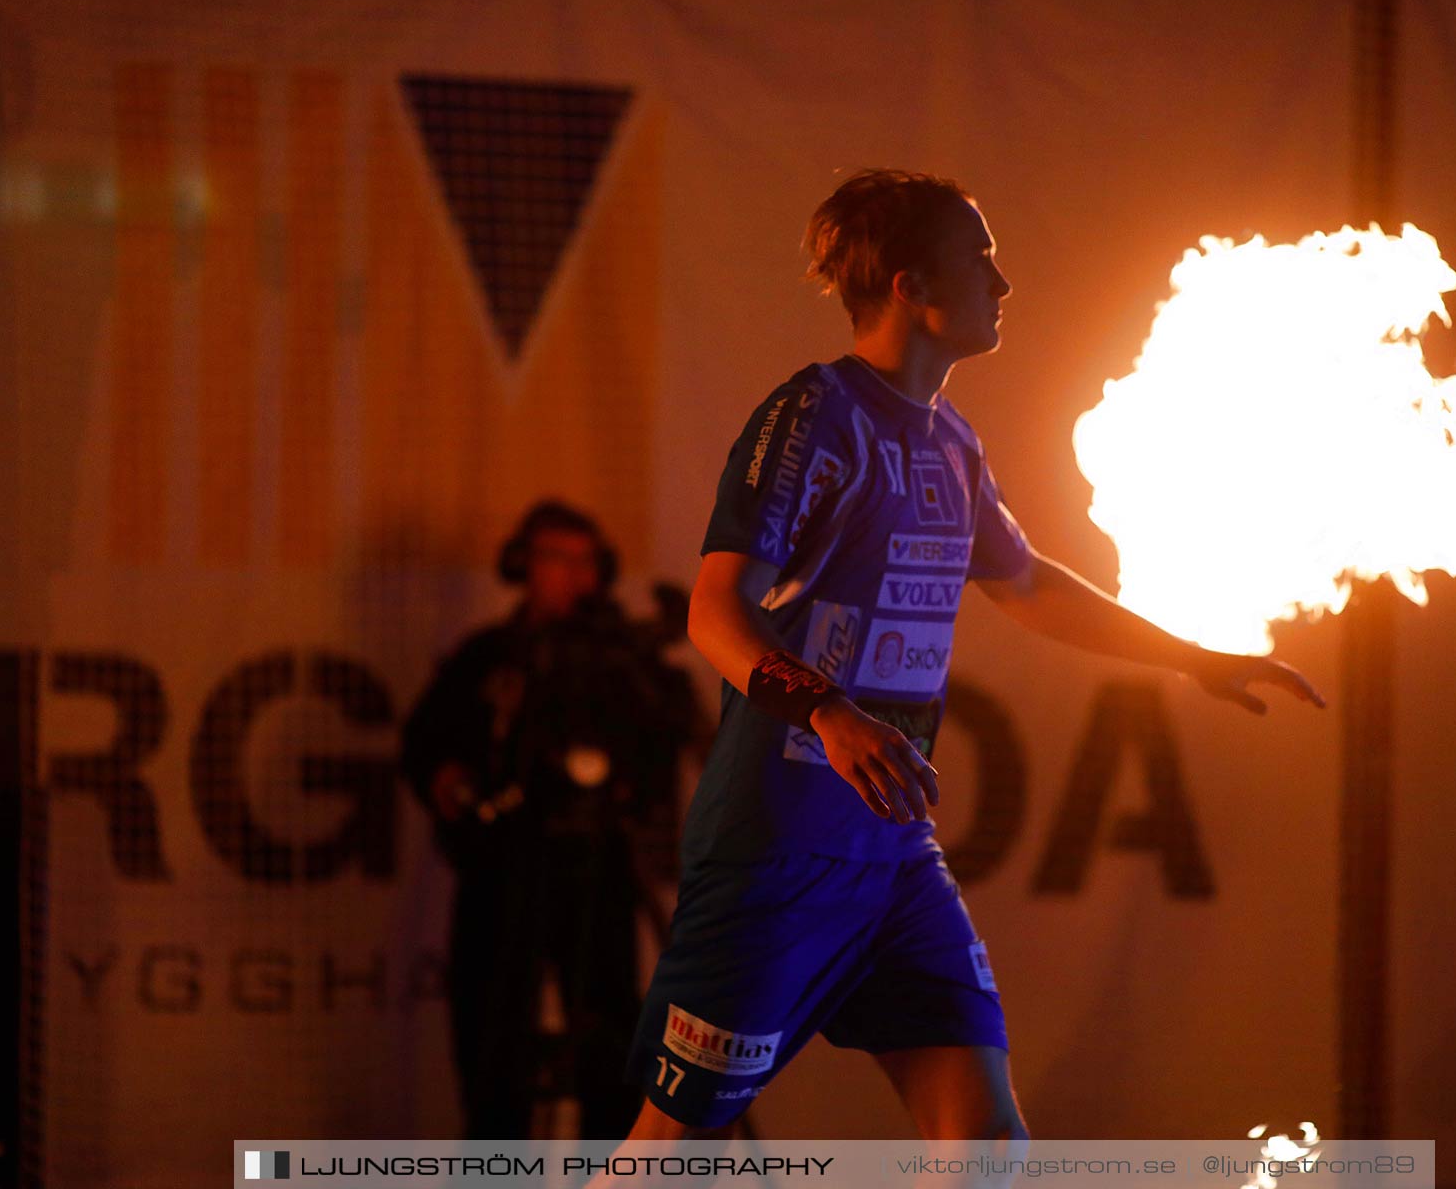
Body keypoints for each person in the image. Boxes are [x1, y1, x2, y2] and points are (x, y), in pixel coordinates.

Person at [621, 169, 1327, 1142]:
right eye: (979, 257)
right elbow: (715, 613)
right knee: (670, 1153)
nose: (1002, 283)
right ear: (912, 284)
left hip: (893, 857)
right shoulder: (816, 415)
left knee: (987, 1146)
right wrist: (830, 713)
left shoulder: (951, 440)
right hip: (778, 850)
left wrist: (1193, 655)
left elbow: (1026, 584)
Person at [401, 500, 699, 1139]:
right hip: (500, 868)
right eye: (555, 559)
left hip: (598, 869)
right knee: (491, 1036)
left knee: (611, 1034)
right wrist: (449, 781)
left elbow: (673, 735)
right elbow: (426, 740)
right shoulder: (488, 658)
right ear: (522, 566)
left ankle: (612, 1177)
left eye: (584, 561)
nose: (572, 575)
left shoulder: (622, 663)